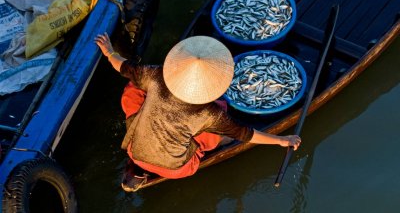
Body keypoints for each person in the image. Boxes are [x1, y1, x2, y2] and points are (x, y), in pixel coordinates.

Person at [94, 33, 301, 191]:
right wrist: (282, 140)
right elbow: (245, 134)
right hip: (176, 168)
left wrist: (109, 51)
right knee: (214, 133)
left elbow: (124, 68)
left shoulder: (156, 75)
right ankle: (222, 143)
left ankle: (138, 167)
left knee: (133, 88)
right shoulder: (209, 113)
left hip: (134, 151)